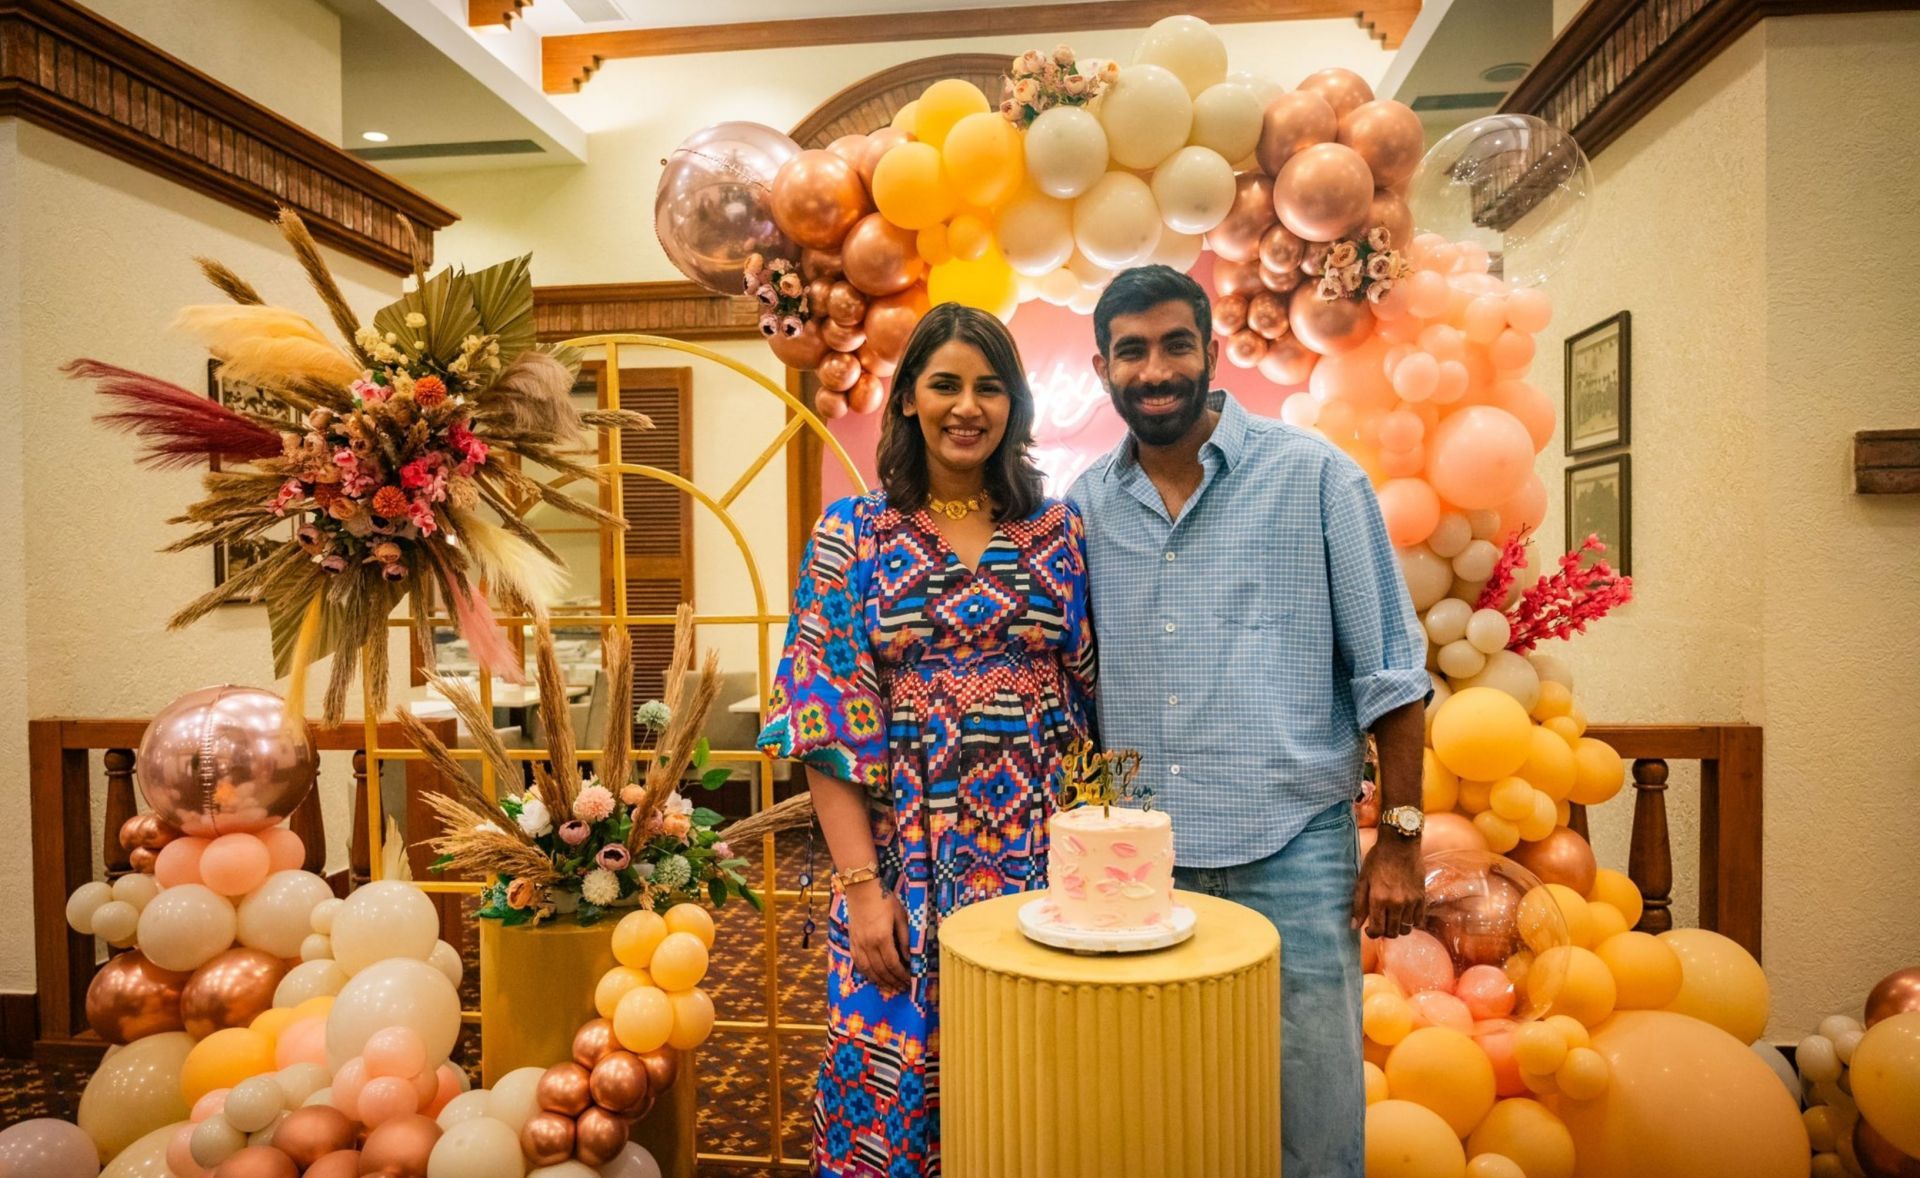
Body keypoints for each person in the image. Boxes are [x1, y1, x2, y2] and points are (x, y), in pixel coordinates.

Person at [1067, 265, 1431, 1176]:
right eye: (1133, 351)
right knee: (1156, 1111)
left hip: (1295, 855)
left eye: (1175, 345)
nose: (1156, 369)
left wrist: (1399, 839)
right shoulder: (1083, 507)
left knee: (1311, 1115)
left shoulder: (1314, 479)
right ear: (1104, 366)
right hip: (1139, 866)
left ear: (1211, 349)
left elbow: (1392, 672)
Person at [760, 302, 1096, 1177]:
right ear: (907, 397)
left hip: (1040, 860)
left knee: (1042, 1085)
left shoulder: (1058, 534)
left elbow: (1097, 701)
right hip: (902, 861)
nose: (967, 405)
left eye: (990, 387)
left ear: (1015, 406)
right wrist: (862, 890)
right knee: (899, 1094)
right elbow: (822, 722)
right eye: (945, 383)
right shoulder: (853, 533)